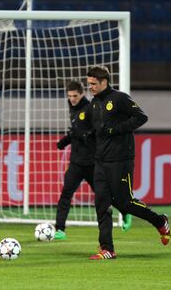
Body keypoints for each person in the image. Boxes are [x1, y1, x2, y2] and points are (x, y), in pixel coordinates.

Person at [86, 65, 171, 260]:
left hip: (120, 159)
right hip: (100, 161)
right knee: (101, 204)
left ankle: (160, 221)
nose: (89, 87)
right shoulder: (94, 104)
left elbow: (141, 117)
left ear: (104, 82)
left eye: (92, 84)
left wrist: (116, 129)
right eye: (88, 83)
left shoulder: (119, 98)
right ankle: (107, 249)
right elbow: (96, 131)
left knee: (125, 202)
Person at [54, 81, 132, 240]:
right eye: (69, 96)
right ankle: (60, 229)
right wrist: (66, 140)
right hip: (76, 163)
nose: (72, 99)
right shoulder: (73, 107)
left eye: (75, 96)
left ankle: (125, 211)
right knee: (65, 194)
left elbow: (96, 132)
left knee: (104, 197)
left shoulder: (91, 108)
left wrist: (83, 135)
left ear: (82, 94)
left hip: (92, 163)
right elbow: (76, 131)